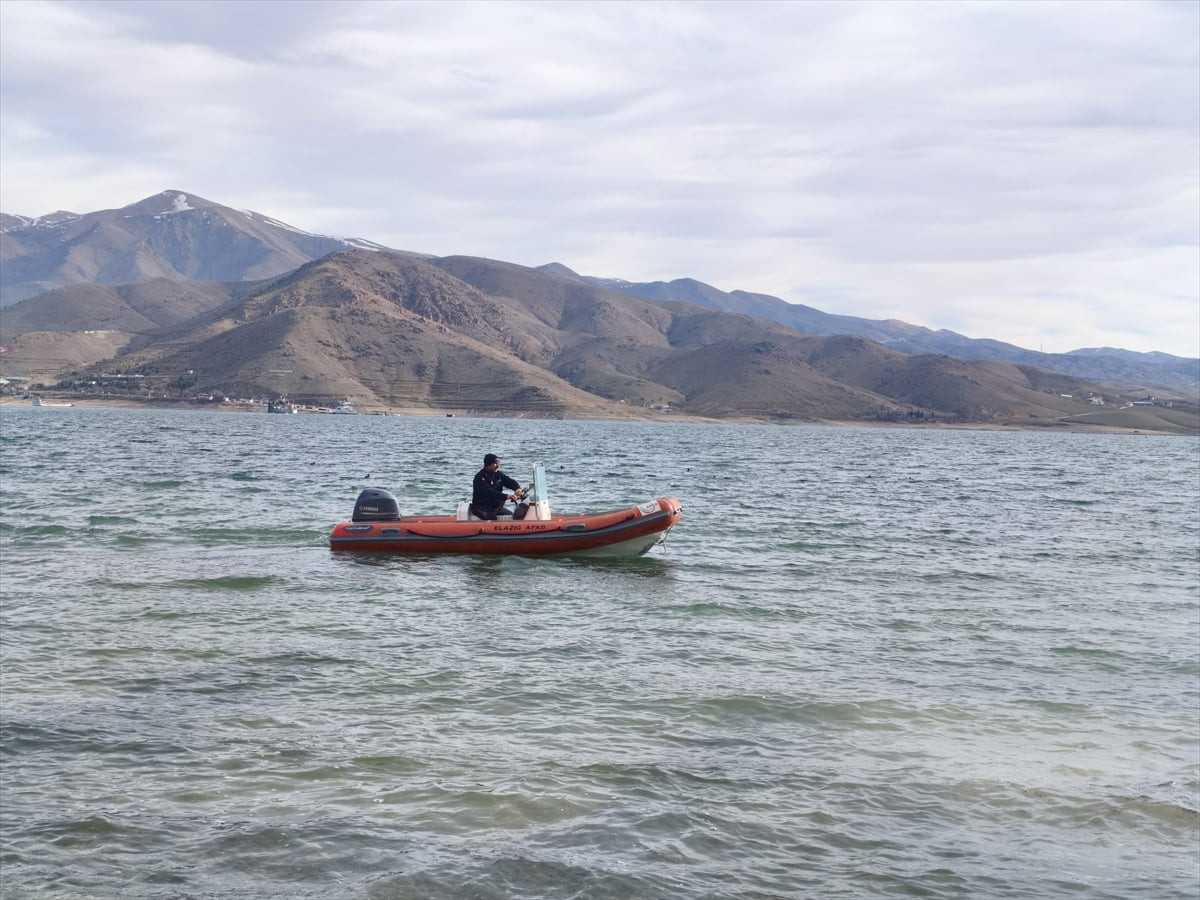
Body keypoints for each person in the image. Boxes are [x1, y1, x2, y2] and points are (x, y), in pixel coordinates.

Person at [471, 453, 523, 520]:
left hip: (495, 507)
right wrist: (507, 496)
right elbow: (489, 492)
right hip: (481, 507)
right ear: (488, 464)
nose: (498, 466)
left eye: (498, 463)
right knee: (492, 518)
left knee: (512, 516)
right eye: (495, 463)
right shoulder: (480, 477)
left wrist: (517, 488)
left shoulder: (498, 474)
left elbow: (508, 481)